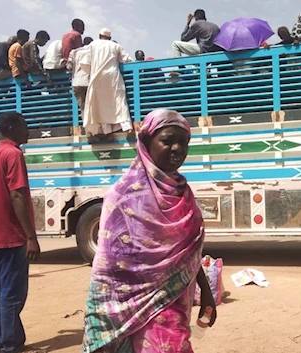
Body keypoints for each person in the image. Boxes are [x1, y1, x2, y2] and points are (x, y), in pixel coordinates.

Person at [82, 109, 218, 353]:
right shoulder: (122, 196)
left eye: (183, 142)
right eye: (167, 141)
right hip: (128, 310)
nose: (177, 148)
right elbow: (108, 269)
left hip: (174, 302)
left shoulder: (182, 194)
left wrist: (205, 292)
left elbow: (188, 252)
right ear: (145, 142)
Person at [0, 112, 42, 353]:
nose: (28, 131)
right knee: (12, 294)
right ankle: (10, 345)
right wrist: (30, 237)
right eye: (24, 126)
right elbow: (16, 194)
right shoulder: (14, 154)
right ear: (12, 128)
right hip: (11, 236)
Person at [82, 28, 133, 141]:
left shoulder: (93, 44)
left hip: (97, 78)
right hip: (113, 76)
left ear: (99, 36)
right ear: (110, 38)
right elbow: (127, 59)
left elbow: (85, 63)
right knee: (119, 101)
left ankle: (107, 132)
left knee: (102, 107)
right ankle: (128, 127)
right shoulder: (115, 46)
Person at [67, 37, 94, 115]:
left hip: (77, 83)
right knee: (92, 107)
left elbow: (69, 67)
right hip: (89, 82)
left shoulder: (74, 52)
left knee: (83, 107)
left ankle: (86, 125)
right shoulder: (93, 52)